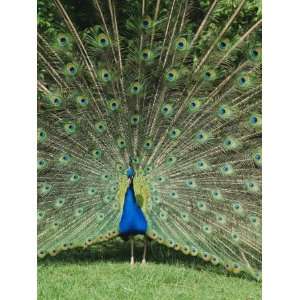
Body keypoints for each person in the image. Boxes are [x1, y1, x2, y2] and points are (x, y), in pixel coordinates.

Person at [119, 167, 148, 265]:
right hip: (133, 215)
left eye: (130, 178)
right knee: (131, 236)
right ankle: (132, 259)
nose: (128, 180)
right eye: (128, 178)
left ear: (132, 178)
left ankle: (144, 258)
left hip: (139, 218)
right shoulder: (128, 190)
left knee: (145, 236)